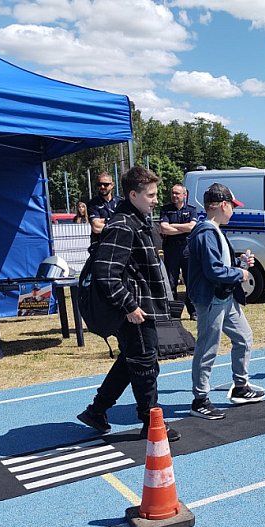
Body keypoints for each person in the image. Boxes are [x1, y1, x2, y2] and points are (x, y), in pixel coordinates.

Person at [77, 166, 179, 442]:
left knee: (131, 360)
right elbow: (106, 272)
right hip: (136, 310)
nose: (156, 200)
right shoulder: (123, 225)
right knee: (146, 364)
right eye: (151, 195)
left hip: (143, 306)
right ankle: (151, 422)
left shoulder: (138, 220)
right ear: (133, 194)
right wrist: (129, 306)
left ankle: (96, 411)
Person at [187, 183, 264, 419]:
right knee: (207, 348)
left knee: (244, 337)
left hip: (224, 297)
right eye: (232, 206)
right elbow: (213, 271)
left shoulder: (212, 230)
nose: (234, 211)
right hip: (212, 299)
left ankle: (241, 386)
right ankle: (200, 399)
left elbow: (218, 265)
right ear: (223, 205)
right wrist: (240, 273)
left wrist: (239, 263)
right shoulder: (206, 232)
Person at [159, 184, 198, 321]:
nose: (174, 196)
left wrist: (173, 227)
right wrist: (183, 228)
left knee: (190, 281)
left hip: (187, 250)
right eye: (173, 193)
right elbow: (164, 229)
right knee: (171, 282)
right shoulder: (165, 210)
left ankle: (193, 311)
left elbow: (192, 227)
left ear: (184, 195)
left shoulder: (191, 210)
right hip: (171, 251)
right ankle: (174, 313)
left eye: (177, 193)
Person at [88, 171, 124, 243]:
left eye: (105, 184)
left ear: (112, 185)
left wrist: (103, 221)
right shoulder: (93, 203)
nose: (102, 187)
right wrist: (115, 223)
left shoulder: (120, 202)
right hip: (99, 245)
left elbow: (126, 223)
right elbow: (96, 227)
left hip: (118, 244)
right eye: (99, 184)